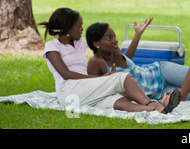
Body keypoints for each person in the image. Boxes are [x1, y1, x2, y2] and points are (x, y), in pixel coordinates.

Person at [40, 7, 180, 114]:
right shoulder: (52, 47)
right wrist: (97, 79)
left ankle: (154, 110)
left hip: (84, 89)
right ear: (68, 28)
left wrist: (98, 80)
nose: (82, 29)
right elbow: (66, 74)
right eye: (79, 26)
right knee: (122, 77)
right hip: (69, 91)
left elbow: (121, 57)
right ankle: (151, 103)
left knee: (116, 100)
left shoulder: (80, 42)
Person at [86, 18, 190, 101]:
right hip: (157, 94)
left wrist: (137, 35)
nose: (115, 40)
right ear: (96, 43)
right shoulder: (96, 62)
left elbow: (127, 58)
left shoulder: (114, 51)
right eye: (108, 38)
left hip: (160, 71)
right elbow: (94, 88)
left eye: (114, 36)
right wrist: (105, 78)